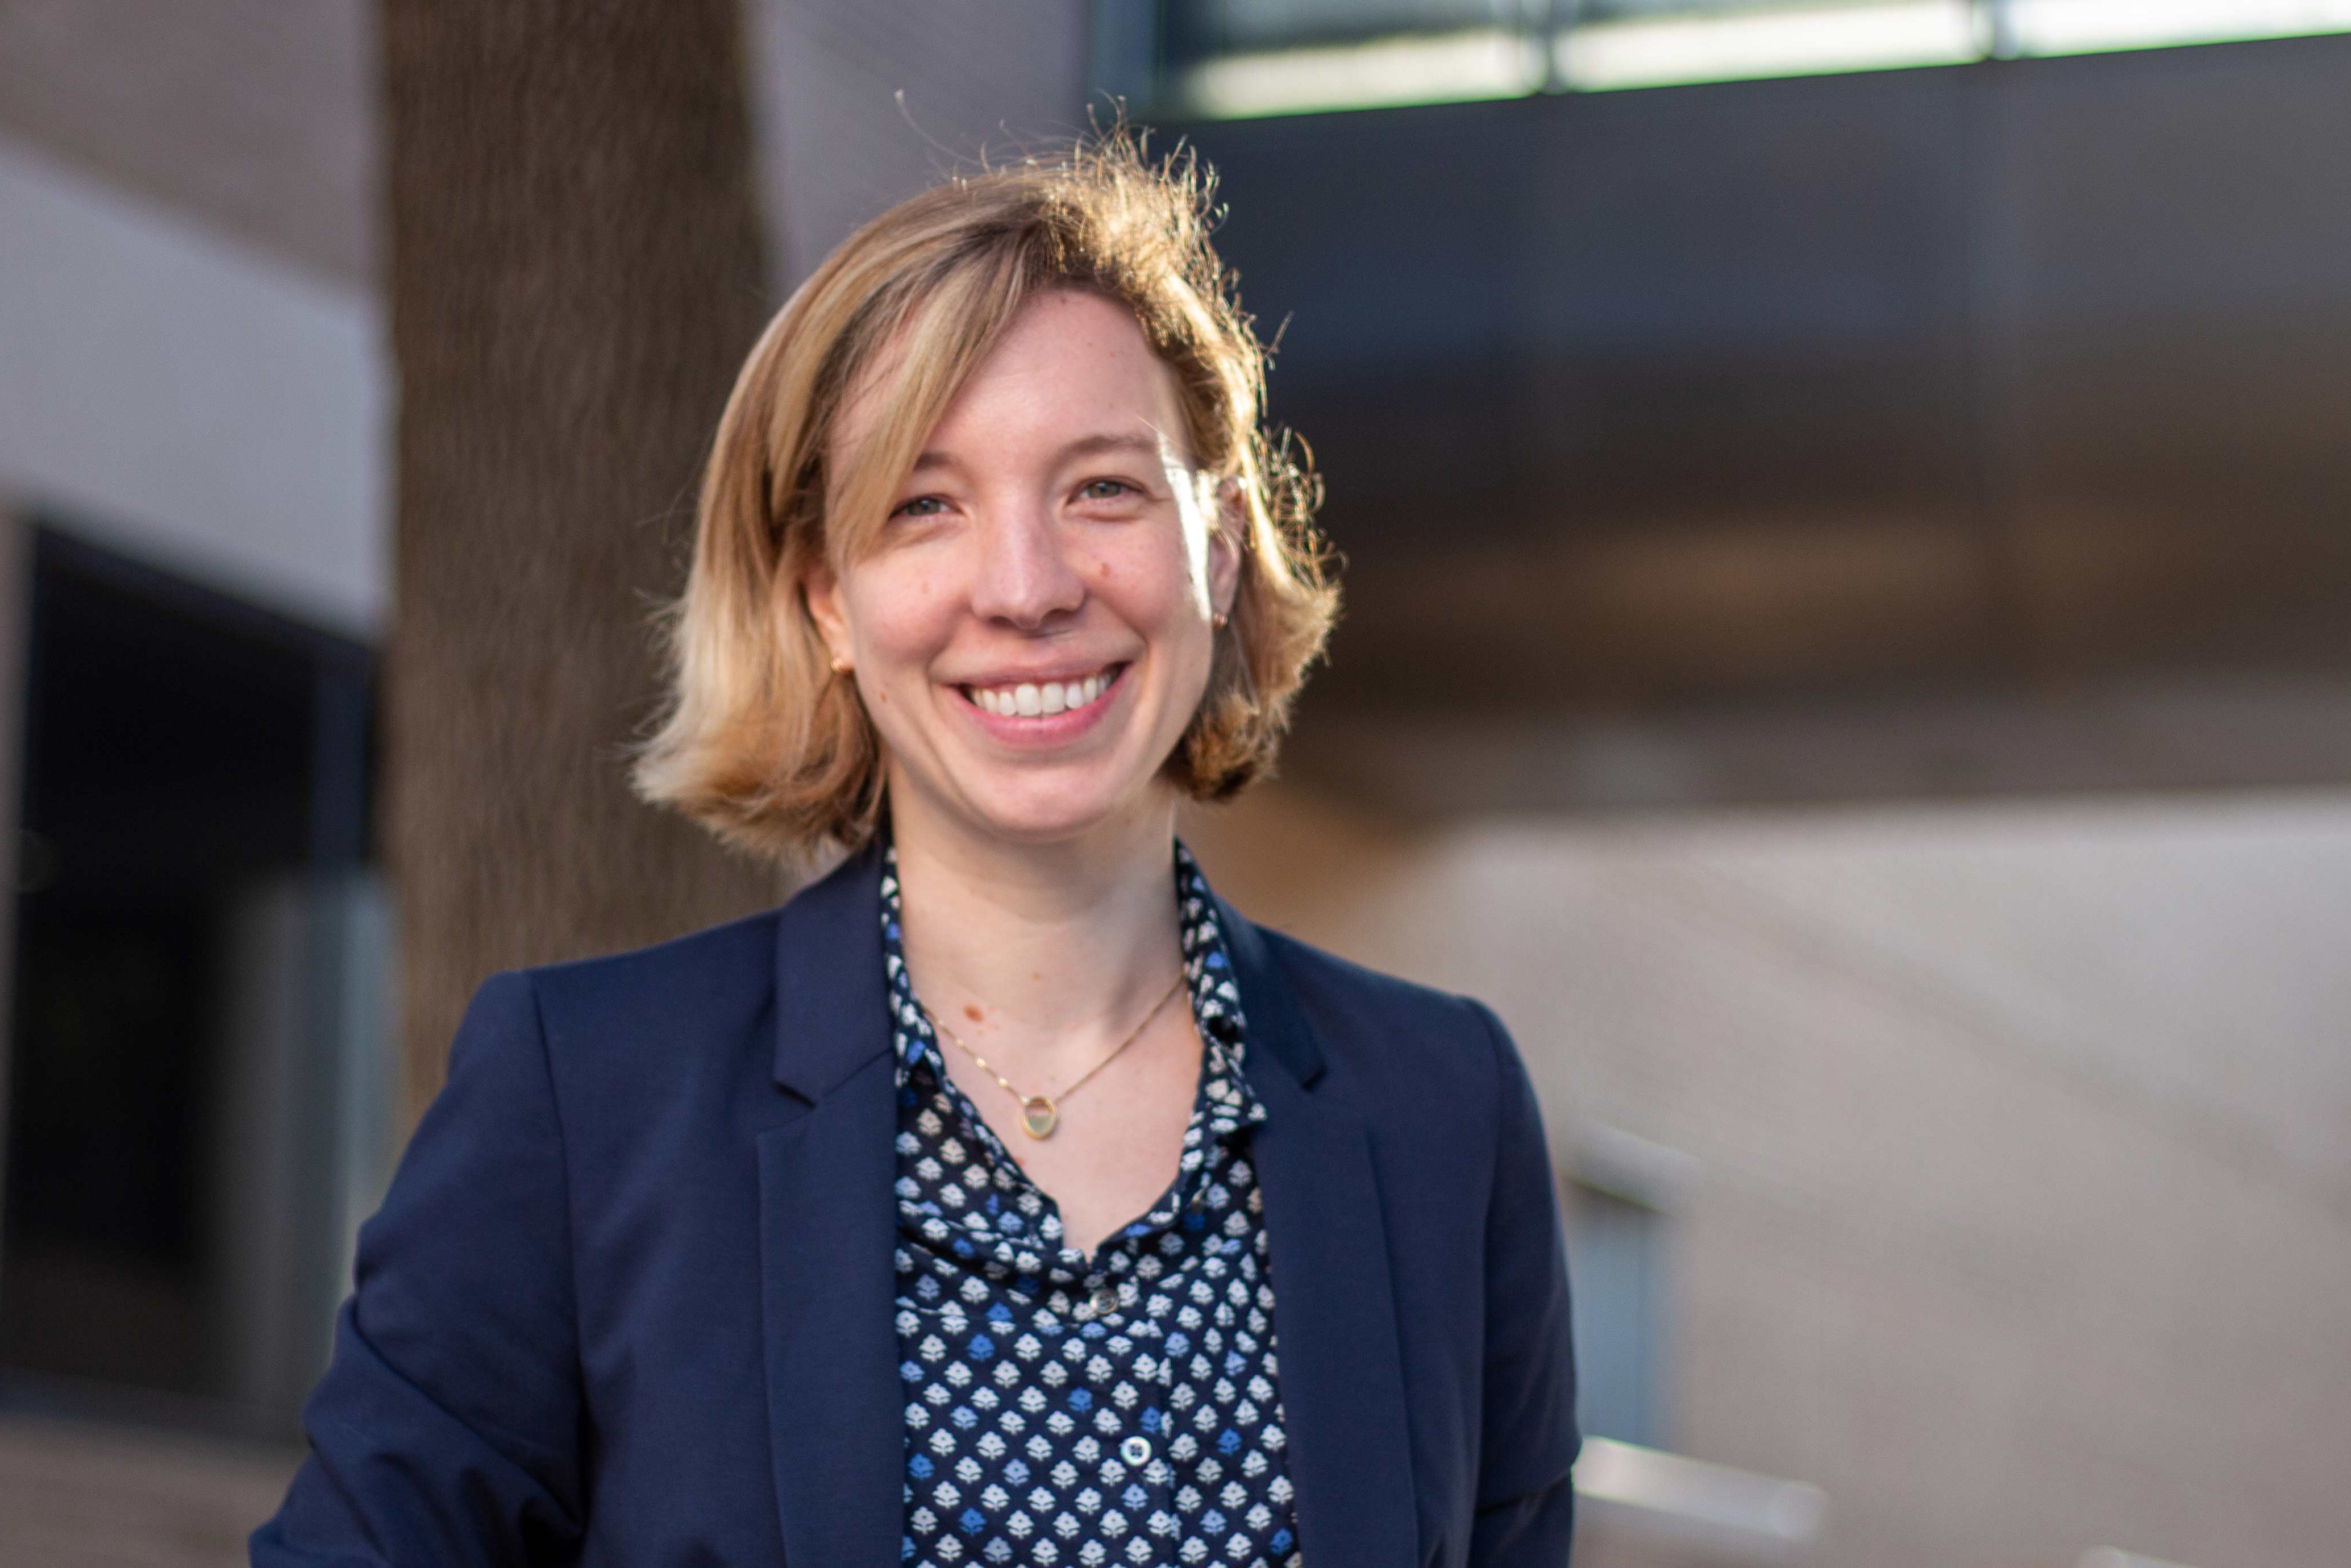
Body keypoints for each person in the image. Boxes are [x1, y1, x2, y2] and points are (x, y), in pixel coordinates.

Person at [253, 136, 1576, 1568]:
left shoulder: (1446, 1112)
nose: (1025, 589)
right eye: (923, 506)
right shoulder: (587, 1103)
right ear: (826, 599)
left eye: (1105, 490)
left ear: (1221, 550)